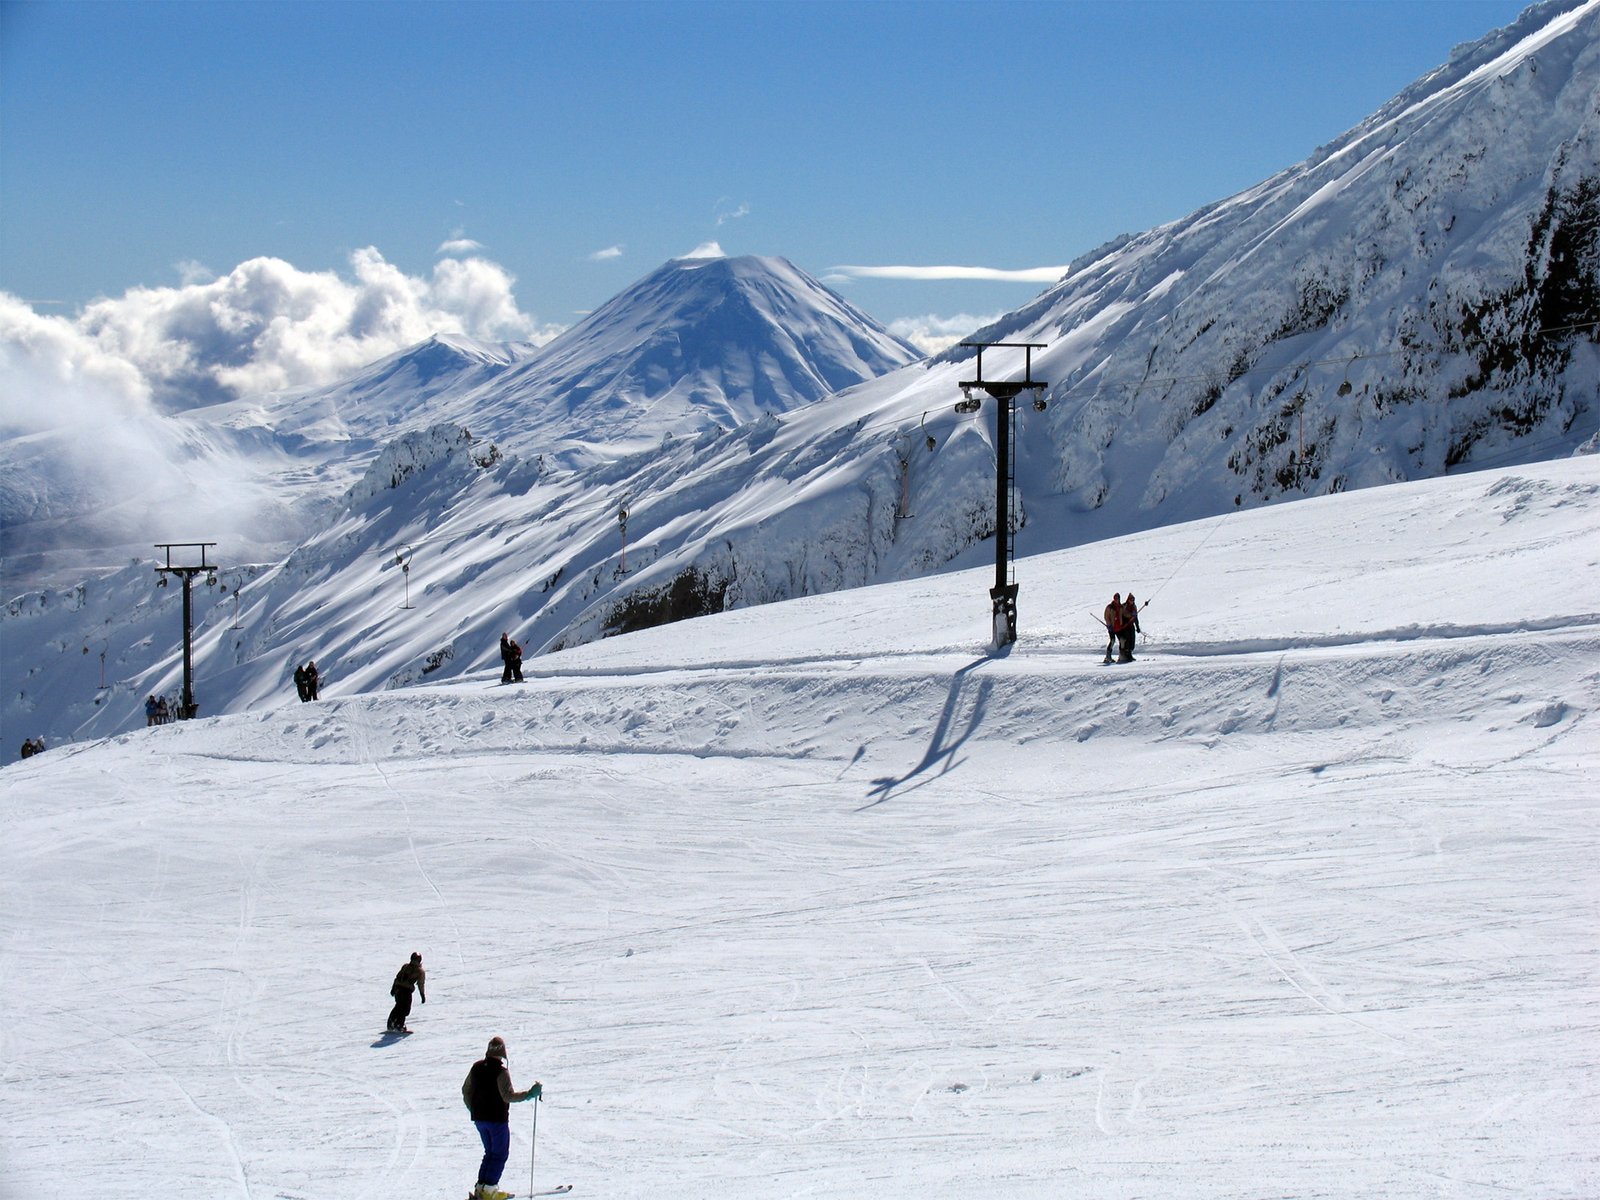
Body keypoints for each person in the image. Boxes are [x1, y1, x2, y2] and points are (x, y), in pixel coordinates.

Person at [462, 1036, 541, 1200]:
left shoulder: (476, 1068)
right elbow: (508, 1096)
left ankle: (482, 1189)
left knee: (489, 1153)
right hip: (496, 1119)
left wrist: (473, 1109)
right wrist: (530, 1094)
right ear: (502, 1054)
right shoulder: (501, 1071)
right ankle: (489, 1191)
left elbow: (465, 1089)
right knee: (499, 1154)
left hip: (479, 1119)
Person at [387, 951, 426, 1033]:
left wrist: (393, 988)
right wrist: (422, 994)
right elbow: (420, 984)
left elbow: (397, 977)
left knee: (398, 1006)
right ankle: (399, 1025)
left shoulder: (405, 966)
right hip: (406, 990)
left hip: (398, 988)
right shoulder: (420, 971)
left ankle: (391, 1023)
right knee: (405, 1008)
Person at [1119, 593, 1142, 663]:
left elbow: (1135, 617)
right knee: (1127, 640)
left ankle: (1130, 654)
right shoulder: (1124, 606)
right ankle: (1126, 655)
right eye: (1131, 600)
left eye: (1133, 600)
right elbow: (1122, 615)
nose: (1132, 601)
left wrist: (1137, 626)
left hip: (1131, 625)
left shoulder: (1134, 606)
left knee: (1132, 639)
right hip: (1125, 625)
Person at [1102, 592, 1123, 664]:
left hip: (1119, 627)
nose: (1116, 600)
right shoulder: (1109, 607)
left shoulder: (1121, 607)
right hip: (1112, 627)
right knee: (1112, 640)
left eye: (1117, 598)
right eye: (1115, 598)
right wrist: (1109, 625)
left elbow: (1125, 614)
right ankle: (1108, 656)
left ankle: (1121, 656)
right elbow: (1106, 616)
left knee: (1122, 641)